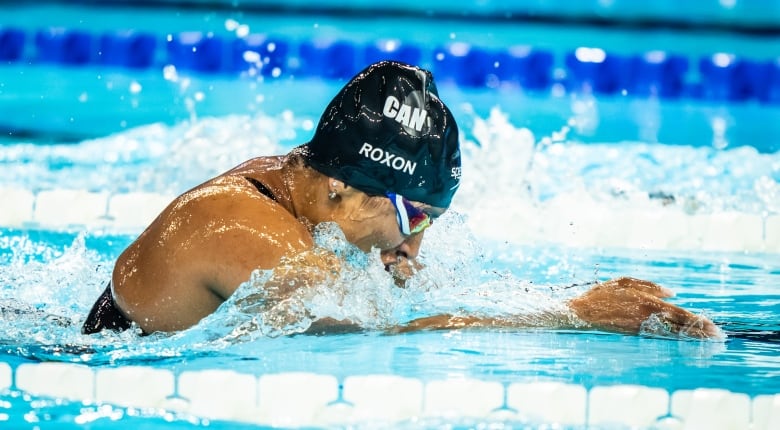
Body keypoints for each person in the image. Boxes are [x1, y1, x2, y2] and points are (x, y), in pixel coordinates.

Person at [82, 60, 721, 339]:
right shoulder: (248, 230)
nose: (413, 245)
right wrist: (570, 316)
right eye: (413, 216)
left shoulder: (303, 183)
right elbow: (375, 330)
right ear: (343, 188)